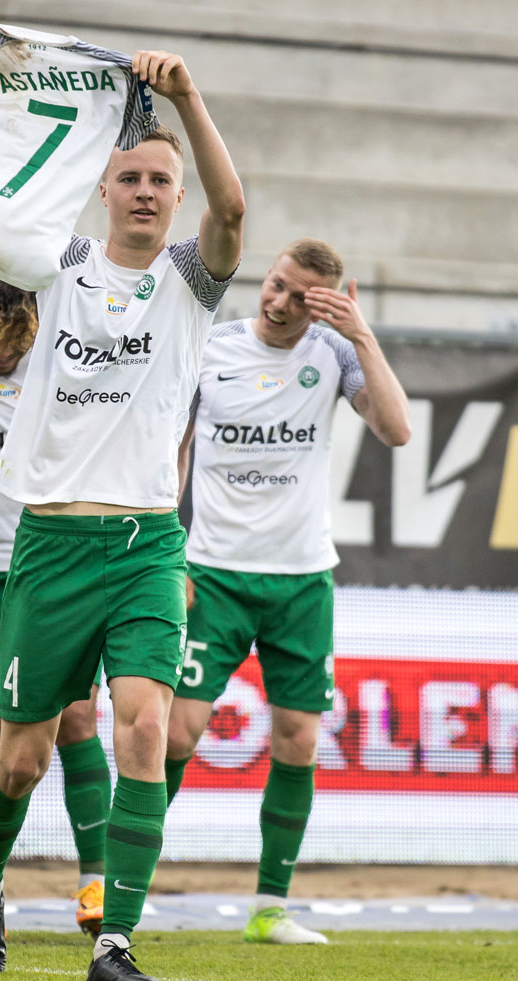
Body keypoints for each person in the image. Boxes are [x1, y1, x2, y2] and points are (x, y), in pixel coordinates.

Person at [0, 9, 246, 981]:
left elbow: (235, 213)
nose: (146, 191)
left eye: (162, 181)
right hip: (50, 548)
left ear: (176, 195)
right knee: (15, 761)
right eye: (132, 177)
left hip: (148, 547)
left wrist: (186, 98)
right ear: (104, 187)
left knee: (143, 721)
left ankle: (116, 939)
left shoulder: (193, 281)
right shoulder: (59, 268)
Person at [167, 240, 410, 945]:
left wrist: (360, 333)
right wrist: (167, 554)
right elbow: (173, 453)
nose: (279, 303)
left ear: (326, 304)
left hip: (302, 579)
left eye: (301, 297)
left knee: (299, 739)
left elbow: (395, 428)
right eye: (276, 285)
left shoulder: (333, 356)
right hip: (211, 574)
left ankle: (269, 908)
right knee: (175, 730)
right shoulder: (210, 347)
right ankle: (127, 888)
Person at [0, 278, 113, 942]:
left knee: (75, 720)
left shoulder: (58, 366)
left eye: (7, 337)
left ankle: (96, 885)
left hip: (50, 569)